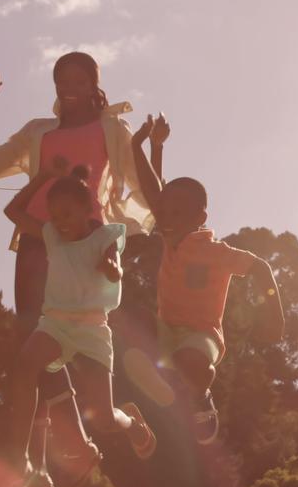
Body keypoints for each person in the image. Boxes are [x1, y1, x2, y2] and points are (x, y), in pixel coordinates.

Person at [0, 52, 159, 487]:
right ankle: (41, 460)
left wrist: (151, 150)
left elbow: (146, 189)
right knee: (31, 348)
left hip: (87, 245)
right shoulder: (38, 132)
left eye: (78, 79)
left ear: (93, 85)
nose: (68, 87)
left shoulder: (111, 128)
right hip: (38, 240)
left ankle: (79, 441)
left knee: (58, 354)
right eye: (60, 79)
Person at [122, 115, 286, 445]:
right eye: (163, 213)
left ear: (200, 218)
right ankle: (167, 390)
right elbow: (157, 190)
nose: (165, 220)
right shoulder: (171, 235)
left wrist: (274, 313)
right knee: (129, 325)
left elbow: (260, 267)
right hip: (166, 329)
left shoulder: (215, 252)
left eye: (177, 214)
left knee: (189, 361)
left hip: (202, 336)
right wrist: (142, 146)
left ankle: (201, 397)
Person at [3, 165, 156, 487]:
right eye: (54, 215)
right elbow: (12, 211)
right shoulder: (51, 236)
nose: (60, 222)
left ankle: (131, 422)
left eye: (68, 214)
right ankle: (20, 458)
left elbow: (115, 269)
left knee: (103, 420)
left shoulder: (104, 236)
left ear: (88, 211)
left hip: (91, 332)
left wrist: (112, 267)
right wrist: (42, 178)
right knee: (24, 365)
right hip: (55, 325)